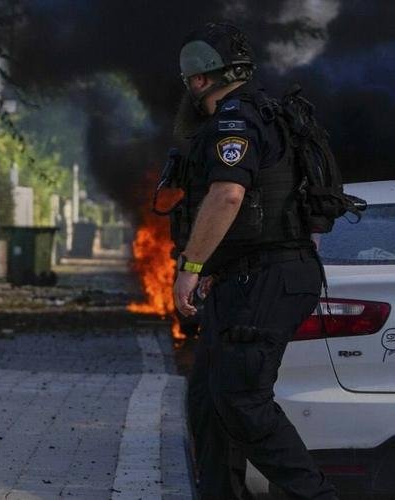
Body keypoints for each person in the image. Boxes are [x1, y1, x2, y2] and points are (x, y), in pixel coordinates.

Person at [171, 23, 338, 500]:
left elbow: (227, 195)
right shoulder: (270, 113)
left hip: (264, 278)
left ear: (199, 79)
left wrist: (191, 266)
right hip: (247, 276)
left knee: (242, 401)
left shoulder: (235, 121)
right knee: (210, 402)